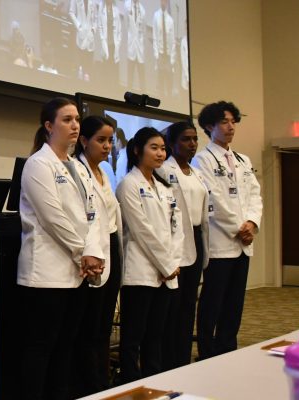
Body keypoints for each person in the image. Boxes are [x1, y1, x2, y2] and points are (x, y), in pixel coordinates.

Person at [18, 98, 105, 399]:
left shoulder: (78, 167)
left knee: (66, 346)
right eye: (67, 119)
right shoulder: (37, 164)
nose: (75, 125)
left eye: (77, 119)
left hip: (77, 273)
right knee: (41, 348)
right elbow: (53, 218)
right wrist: (85, 252)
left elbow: (93, 214)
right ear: (48, 126)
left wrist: (91, 252)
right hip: (46, 274)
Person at [192, 101, 262, 359]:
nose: (230, 126)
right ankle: (207, 352)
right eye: (224, 122)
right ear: (209, 126)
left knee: (234, 302)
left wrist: (252, 223)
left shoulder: (243, 160)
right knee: (213, 301)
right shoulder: (202, 160)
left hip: (243, 244)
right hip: (220, 243)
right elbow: (213, 200)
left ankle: (227, 348)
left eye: (233, 121)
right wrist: (239, 228)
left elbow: (255, 195)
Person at [116, 127, 184, 384]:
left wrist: (172, 262)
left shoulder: (164, 187)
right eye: (154, 148)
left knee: (156, 334)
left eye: (163, 148)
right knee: (134, 335)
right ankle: (131, 382)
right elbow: (141, 230)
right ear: (137, 150)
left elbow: (176, 228)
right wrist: (166, 264)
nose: (160, 153)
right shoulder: (128, 185)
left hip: (167, 272)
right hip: (141, 271)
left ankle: (154, 380)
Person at [72, 115, 122, 396]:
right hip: (91, 252)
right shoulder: (77, 171)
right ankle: (89, 385)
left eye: (110, 141)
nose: (107, 146)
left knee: (104, 324)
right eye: (101, 140)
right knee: (89, 326)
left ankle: (102, 381)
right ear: (84, 141)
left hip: (111, 247)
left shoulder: (106, 173)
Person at [156, 121, 210, 369]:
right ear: (172, 143)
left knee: (189, 304)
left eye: (195, 139)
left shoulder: (196, 172)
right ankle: (169, 361)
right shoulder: (164, 170)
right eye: (186, 139)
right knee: (173, 306)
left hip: (196, 238)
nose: (192, 144)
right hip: (175, 241)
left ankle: (183, 358)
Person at [152, 0, 176, 96]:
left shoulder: (170, 20)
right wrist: (156, 55)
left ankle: (169, 98)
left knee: (169, 80)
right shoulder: (156, 16)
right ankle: (161, 98)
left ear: (167, 3)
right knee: (161, 79)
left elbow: (173, 40)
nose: (163, 2)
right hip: (160, 54)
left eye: (165, 1)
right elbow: (154, 36)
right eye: (162, 1)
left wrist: (172, 58)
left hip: (168, 55)